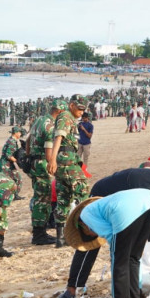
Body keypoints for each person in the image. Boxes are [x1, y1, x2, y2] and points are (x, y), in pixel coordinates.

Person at [55, 169, 150, 298]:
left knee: (136, 249)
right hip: (105, 196)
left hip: (130, 203)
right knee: (95, 244)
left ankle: (134, 291)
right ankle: (72, 288)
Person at [47, 94, 91, 247]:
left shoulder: (70, 118)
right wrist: (52, 160)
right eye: (79, 108)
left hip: (65, 159)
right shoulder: (65, 116)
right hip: (67, 159)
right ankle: (86, 230)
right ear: (71, 105)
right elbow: (58, 138)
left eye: (83, 109)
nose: (81, 112)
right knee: (83, 190)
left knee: (64, 198)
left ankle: (60, 238)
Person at [25, 99, 66, 245]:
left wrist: (29, 156)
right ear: (60, 112)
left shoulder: (39, 120)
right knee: (43, 200)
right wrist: (53, 166)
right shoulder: (51, 126)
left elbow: (28, 139)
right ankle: (39, 235)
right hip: (43, 164)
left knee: (38, 197)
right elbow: (49, 154)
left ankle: (39, 233)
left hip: (35, 163)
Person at [0, 126, 24, 199]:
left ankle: (14, 195)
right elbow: (8, 155)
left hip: (8, 164)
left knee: (17, 179)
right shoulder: (12, 142)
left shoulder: (12, 140)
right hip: (5, 165)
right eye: (19, 133)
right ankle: (6, 196)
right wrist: (17, 161)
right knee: (9, 181)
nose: (20, 134)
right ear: (16, 133)